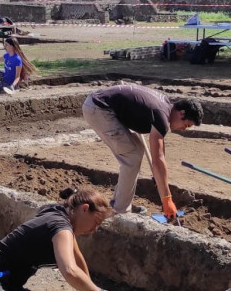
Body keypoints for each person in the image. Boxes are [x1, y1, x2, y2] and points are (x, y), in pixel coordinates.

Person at [82, 85, 203, 220]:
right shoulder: (162, 117)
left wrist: (158, 177)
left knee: (136, 151)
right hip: (99, 108)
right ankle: (120, 210)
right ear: (182, 113)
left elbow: (160, 153)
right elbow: (158, 159)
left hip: (99, 104)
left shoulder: (165, 106)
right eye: (186, 125)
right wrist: (167, 199)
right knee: (132, 157)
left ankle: (122, 203)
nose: (184, 129)